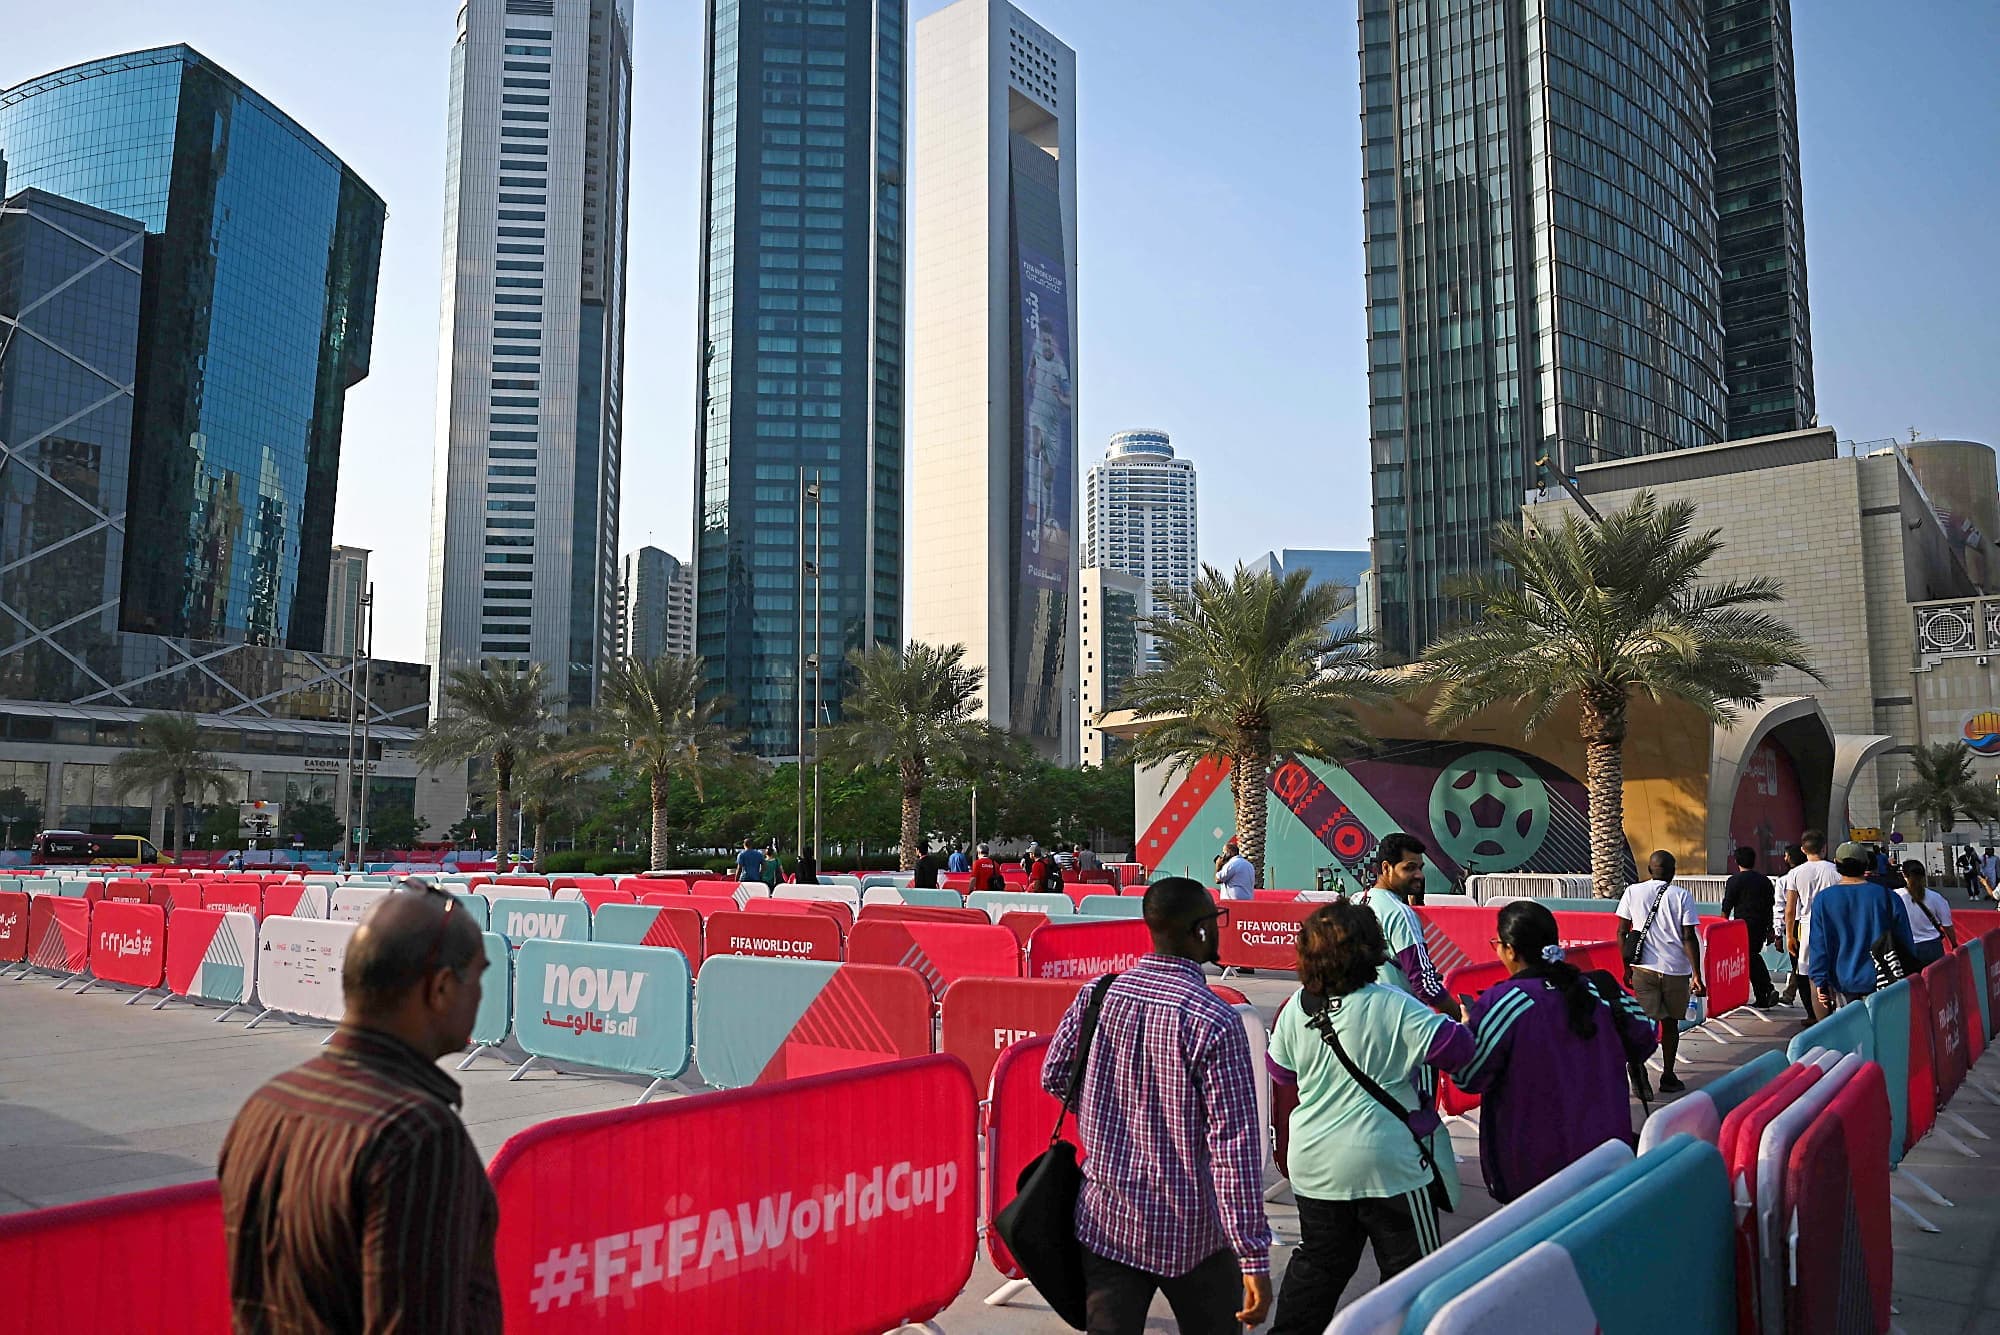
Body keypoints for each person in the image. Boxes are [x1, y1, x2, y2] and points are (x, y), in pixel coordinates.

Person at [219, 886, 499, 1331]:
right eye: (477, 978)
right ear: (442, 987)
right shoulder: (418, 1136)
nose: (481, 997)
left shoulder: (267, 1105)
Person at [1042, 878, 1273, 1333]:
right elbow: (1234, 1147)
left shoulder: (1099, 995)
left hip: (1108, 1220)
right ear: (1200, 930)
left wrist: (1114, 1114)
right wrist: (1253, 1254)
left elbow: (1053, 1075)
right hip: (1195, 1233)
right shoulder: (1215, 1020)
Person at [1265, 900, 1474, 1334]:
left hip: (1316, 1164)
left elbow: (1280, 1071)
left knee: (1319, 1266)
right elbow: (1458, 1052)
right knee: (1411, 1275)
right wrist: (1466, 1020)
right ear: (1371, 949)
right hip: (1390, 1165)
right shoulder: (1394, 1005)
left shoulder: (1296, 1009)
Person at [1450, 903, 1659, 1202]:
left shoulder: (1502, 1003)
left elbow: (1468, 1076)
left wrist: (1466, 1031)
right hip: (1607, 1159)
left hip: (1535, 1174)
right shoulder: (1597, 990)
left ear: (1510, 950)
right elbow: (1647, 1034)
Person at [1615, 850, 1705, 1093]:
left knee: (1646, 1022)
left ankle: (1638, 1065)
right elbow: (1688, 936)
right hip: (1676, 970)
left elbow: (1622, 931)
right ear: (1673, 871)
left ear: (1649, 869)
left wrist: (1626, 967)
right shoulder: (1682, 896)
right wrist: (1697, 974)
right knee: (1670, 1025)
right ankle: (1667, 1075)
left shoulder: (1632, 891)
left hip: (1643, 968)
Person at [1807, 842, 1917, 1009]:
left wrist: (1820, 981)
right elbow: (1905, 940)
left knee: (1851, 1032)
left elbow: (1818, 945)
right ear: (1866, 864)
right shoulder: (1888, 897)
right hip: (1885, 980)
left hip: (1843, 980)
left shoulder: (1823, 900)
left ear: (1836, 864)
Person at [1348, 833, 1450, 1010]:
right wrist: (1464, 1020)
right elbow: (1425, 984)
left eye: (1420, 868)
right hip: (1394, 1019)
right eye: (1409, 868)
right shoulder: (1401, 913)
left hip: (1355, 1014)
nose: (1419, 875)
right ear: (1386, 868)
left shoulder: (1355, 900)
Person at [1784, 831, 1842, 1013]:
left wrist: (1789, 935)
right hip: (1834, 925)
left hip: (1807, 926)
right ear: (1824, 848)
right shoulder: (1835, 871)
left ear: (1803, 849)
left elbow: (1790, 909)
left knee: (1809, 973)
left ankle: (1816, 1015)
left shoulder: (1795, 873)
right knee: (1835, 967)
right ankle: (1837, 1009)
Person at [1721, 845, 1780, 1008]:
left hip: (1741, 926)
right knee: (1751, 956)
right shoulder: (1765, 881)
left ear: (1737, 861)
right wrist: (1770, 928)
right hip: (1760, 925)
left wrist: (1722, 928)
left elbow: (1727, 906)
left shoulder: (1734, 880)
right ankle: (1763, 995)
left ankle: (1767, 989)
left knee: (1749, 956)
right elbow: (1770, 906)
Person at [1894, 860, 1956, 967]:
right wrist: (1954, 944)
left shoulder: (1895, 896)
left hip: (1906, 947)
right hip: (1932, 946)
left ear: (1903, 874)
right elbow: (1947, 925)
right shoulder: (1936, 897)